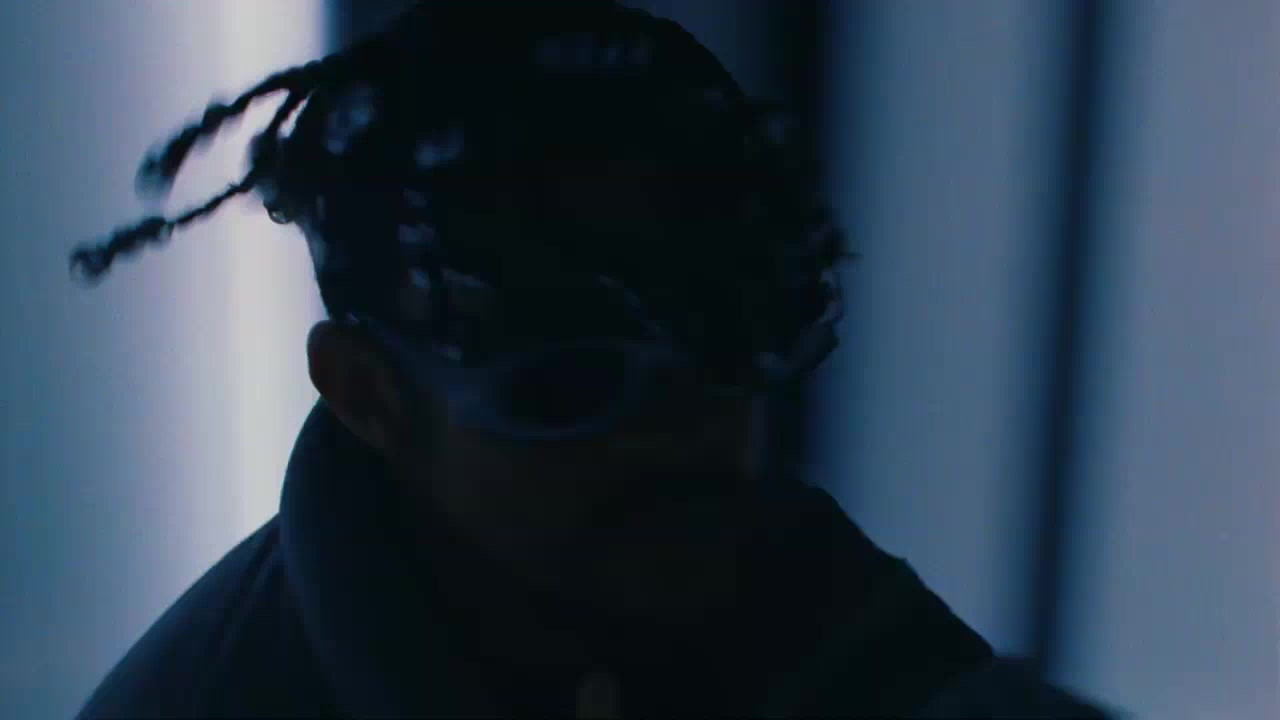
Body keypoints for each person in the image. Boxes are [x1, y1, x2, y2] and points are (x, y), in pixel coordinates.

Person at [70, 2, 1111, 717]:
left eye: (726, 334)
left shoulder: (782, 595)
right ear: (368, 394)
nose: (680, 427)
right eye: (563, 379)